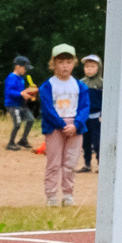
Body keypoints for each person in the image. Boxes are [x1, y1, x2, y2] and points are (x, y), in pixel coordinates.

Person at [29, 45, 89, 208]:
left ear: (74, 63)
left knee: (70, 163)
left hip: (75, 128)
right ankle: (51, 196)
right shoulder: (47, 86)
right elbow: (48, 109)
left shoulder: (80, 86)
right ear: (54, 63)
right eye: (61, 62)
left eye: (68, 62)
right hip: (55, 127)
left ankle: (68, 194)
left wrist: (76, 125)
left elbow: (85, 107)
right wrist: (63, 125)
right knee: (54, 163)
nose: (65, 66)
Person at [1, 56, 36, 152]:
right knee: (17, 123)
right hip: (13, 105)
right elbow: (9, 92)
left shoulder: (21, 78)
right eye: (25, 67)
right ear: (17, 67)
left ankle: (23, 140)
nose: (26, 70)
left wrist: (29, 94)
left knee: (31, 120)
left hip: (21, 104)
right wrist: (21, 93)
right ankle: (10, 143)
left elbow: (22, 92)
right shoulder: (11, 78)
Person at [80, 56, 105, 172]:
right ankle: (87, 164)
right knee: (86, 142)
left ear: (98, 68)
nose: (89, 69)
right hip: (85, 117)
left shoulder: (102, 83)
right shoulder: (81, 83)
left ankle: (101, 164)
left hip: (97, 117)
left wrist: (102, 114)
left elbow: (105, 101)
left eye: (92, 66)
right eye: (87, 66)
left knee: (98, 142)